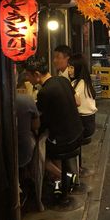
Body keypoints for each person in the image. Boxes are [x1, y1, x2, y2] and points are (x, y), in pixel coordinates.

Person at [26, 60, 83, 193]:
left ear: (37, 74)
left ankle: (65, 177)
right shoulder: (62, 80)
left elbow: (39, 123)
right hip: (78, 133)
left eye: (28, 75)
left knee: (37, 155)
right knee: (51, 140)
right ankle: (61, 180)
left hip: (65, 141)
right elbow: (77, 102)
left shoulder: (44, 92)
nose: (27, 79)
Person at [68, 54, 97, 142]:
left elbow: (72, 103)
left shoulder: (79, 84)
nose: (69, 70)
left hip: (82, 126)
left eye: (72, 67)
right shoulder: (86, 82)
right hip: (90, 123)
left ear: (78, 68)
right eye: (68, 67)